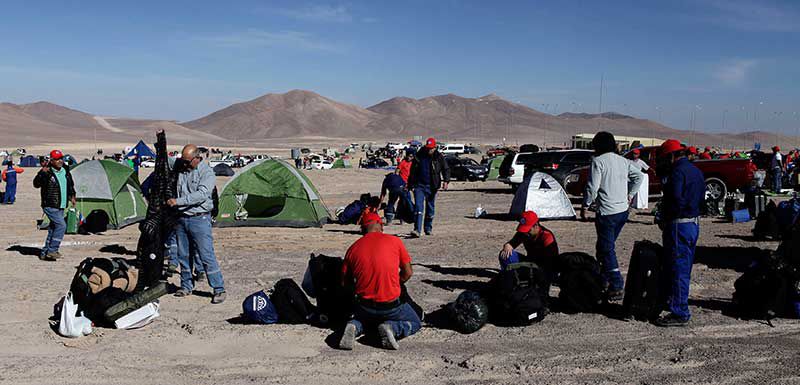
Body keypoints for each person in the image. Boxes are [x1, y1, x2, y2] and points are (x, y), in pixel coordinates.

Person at [339, 212, 420, 350]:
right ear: (380, 226)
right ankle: (392, 328)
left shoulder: (353, 248)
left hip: (365, 305)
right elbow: (408, 273)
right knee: (415, 321)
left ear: (362, 229)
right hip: (390, 305)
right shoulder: (395, 241)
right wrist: (395, 284)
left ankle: (354, 325)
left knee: (367, 318)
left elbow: (344, 283)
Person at [581, 132, 643, 301]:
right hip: (622, 211)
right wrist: (630, 194)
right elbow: (639, 176)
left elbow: (592, 187)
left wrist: (585, 205)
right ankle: (603, 279)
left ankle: (616, 284)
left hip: (607, 212)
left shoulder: (598, 162)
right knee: (604, 247)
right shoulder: (623, 161)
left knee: (606, 248)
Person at [654, 139, 705, 327]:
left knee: (678, 268)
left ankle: (680, 311)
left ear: (671, 156)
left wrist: (665, 217)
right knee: (684, 266)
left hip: (678, 225)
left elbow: (675, 199)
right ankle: (675, 301)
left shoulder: (677, 172)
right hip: (693, 224)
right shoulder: (695, 171)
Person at [167, 144, 226, 304]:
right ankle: (186, 286)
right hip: (182, 219)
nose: (184, 164)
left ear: (197, 158)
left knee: (206, 255)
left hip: (199, 219)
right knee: (183, 255)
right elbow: (165, 161)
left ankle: (219, 289)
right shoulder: (181, 169)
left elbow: (201, 195)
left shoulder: (207, 173)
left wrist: (177, 201)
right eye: (183, 161)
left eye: (187, 161)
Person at [33, 150, 76, 261]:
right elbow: (36, 184)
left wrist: (72, 195)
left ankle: (45, 253)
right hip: (50, 204)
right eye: (57, 159)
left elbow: (70, 184)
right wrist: (42, 173)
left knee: (53, 228)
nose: (60, 161)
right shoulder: (47, 172)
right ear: (51, 161)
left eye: (61, 158)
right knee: (61, 226)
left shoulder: (65, 170)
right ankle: (53, 250)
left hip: (61, 204)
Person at [406, 138, 450, 237]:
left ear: (435, 147)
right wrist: (410, 185)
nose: (429, 150)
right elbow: (412, 171)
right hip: (419, 186)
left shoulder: (439, 157)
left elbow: (445, 169)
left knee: (430, 208)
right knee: (418, 207)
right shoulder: (419, 155)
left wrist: (446, 181)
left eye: (431, 148)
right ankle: (417, 230)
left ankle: (428, 228)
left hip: (432, 186)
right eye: (428, 148)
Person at [498, 211, 558, 279]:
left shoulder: (547, 236)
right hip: (530, 263)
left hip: (543, 267)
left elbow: (551, 261)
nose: (525, 233)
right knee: (505, 255)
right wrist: (507, 245)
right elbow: (512, 244)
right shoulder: (524, 233)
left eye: (528, 230)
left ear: (536, 225)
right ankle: (509, 277)